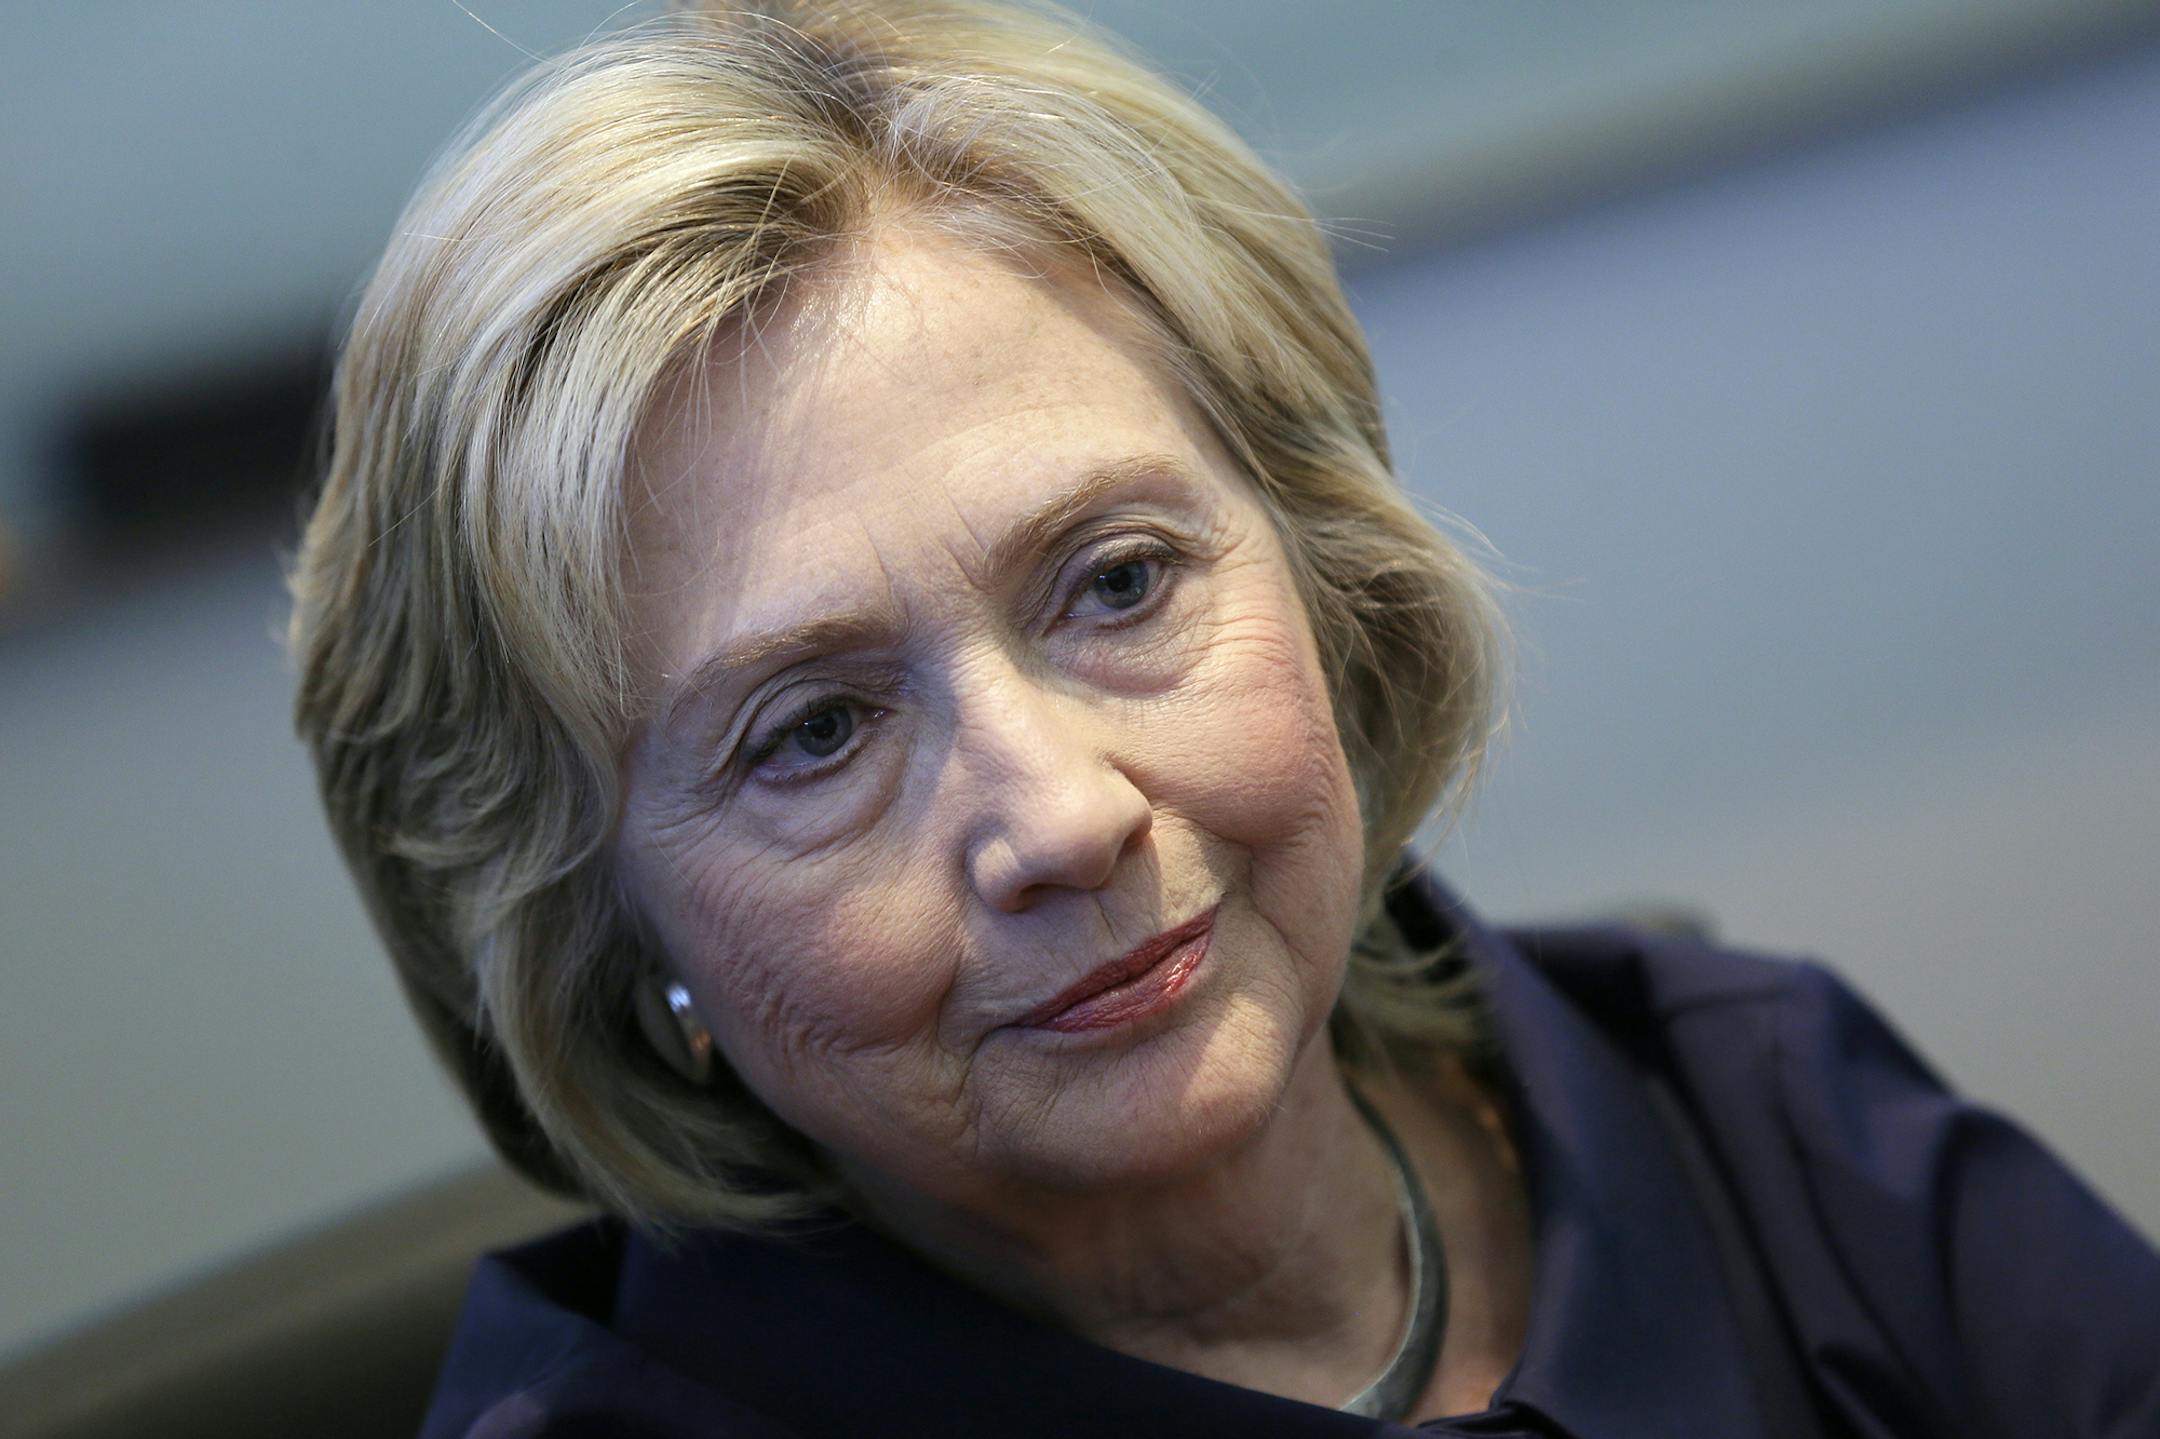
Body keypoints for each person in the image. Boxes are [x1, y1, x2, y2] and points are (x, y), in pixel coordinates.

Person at [287, 3, 2160, 1434]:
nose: (1064, 817)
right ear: (608, 935)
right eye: (813, 734)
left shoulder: (1754, 1117)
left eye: (1117, 583)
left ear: (1324, 568)